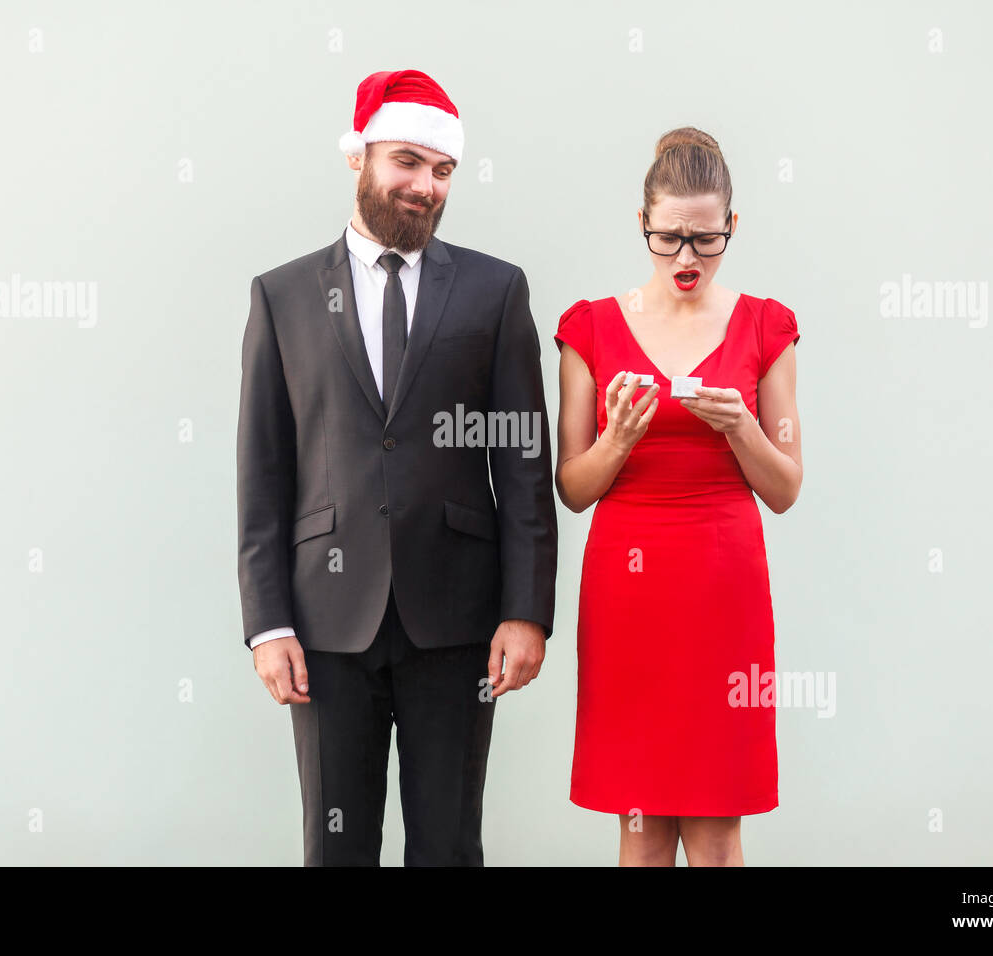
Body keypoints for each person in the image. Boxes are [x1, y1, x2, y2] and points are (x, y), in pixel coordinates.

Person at [236, 69, 558, 866]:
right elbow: (263, 469)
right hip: (324, 624)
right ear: (361, 158)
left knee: (448, 846)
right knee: (335, 850)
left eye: (443, 171)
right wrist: (267, 623)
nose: (425, 187)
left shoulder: (495, 290)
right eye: (408, 162)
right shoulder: (282, 297)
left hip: (458, 619)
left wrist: (527, 609)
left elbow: (522, 463)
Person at [553, 127, 803, 866]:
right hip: (629, 599)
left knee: (719, 828)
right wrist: (620, 439)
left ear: (733, 226)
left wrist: (741, 430)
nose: (686, 259)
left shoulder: (766, 324)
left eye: (705, 239)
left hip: (723, 594)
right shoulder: (590, 328)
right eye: (669, 239)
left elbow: (786, 487)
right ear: (642, 225)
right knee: (642, 825)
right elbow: (572, 487)